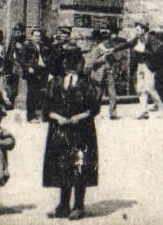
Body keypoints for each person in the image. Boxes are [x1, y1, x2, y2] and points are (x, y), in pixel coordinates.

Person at [43, 42, 101, 220]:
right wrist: (55, 116)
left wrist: (80, 116)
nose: (70, 64)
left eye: (74, 60)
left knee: (79, 165)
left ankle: (78, 205)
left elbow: (94, 107)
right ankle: (62, 205)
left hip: (81, 131)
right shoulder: (55, 82)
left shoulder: (88, 83)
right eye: (66, 60)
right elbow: (46, 106)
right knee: (62, 166)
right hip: (59, 130)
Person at [130, 22, 163, 117]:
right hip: (140, 66)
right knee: (140, 88)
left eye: (137, 30)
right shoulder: (137, 39)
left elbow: (157, 52)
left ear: (143, 30)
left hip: (149, 66)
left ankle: (161, 107)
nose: (136, 32)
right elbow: (128, 44)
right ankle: (144, 111)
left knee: (149, 88)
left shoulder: (152, 38)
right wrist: (114, 49)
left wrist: (143, 50)